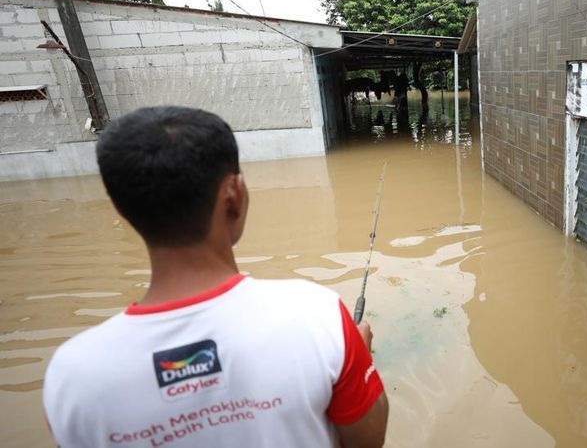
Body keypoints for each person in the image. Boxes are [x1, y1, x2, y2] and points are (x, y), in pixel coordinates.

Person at [43, 106, 388, 447]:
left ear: (120, 208)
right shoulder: (319, 316)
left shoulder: (72, 376)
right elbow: (367, 442)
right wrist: (359, 359)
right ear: (235, 195)